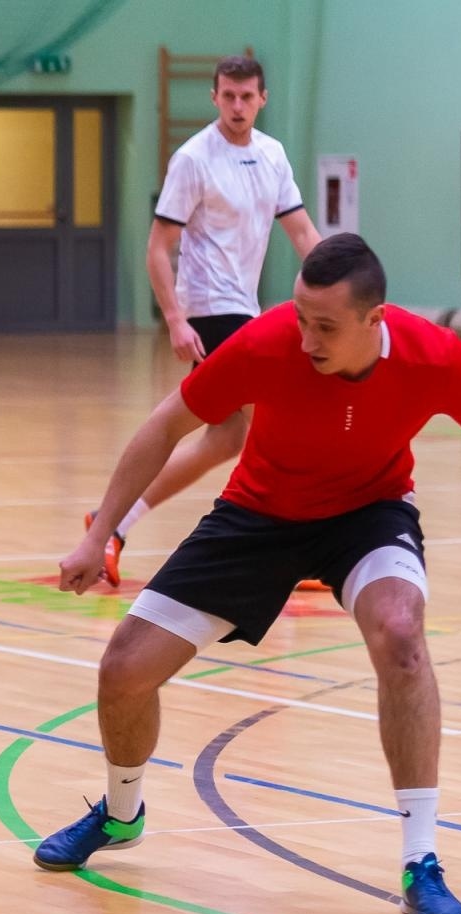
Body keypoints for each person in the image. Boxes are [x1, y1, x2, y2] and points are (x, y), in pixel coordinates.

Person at [34, 234, 461, 914]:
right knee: (123, 669)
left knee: (402, 636)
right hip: (258, 514)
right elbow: (166, 424)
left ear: (374, 319)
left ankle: (422, 859)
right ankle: (121, 815)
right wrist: (100, 531)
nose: (306, 337)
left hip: (368, 514)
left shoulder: (430, 356)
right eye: (300, 317)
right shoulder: (267, 345)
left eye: (324, 326)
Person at [90, 55, 321, 587]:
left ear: (263, 98)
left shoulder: (273, 155)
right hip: (212, 311)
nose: (238, 106)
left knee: (224, 440)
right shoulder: (193, 158)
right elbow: (157, 248)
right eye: (228, 96)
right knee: (274, 427)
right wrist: (174, 318)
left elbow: (304, 235)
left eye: (247, 97)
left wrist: (348, 286)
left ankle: (113, 525)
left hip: (246, 308)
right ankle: (292, 547)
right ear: (214, 97)